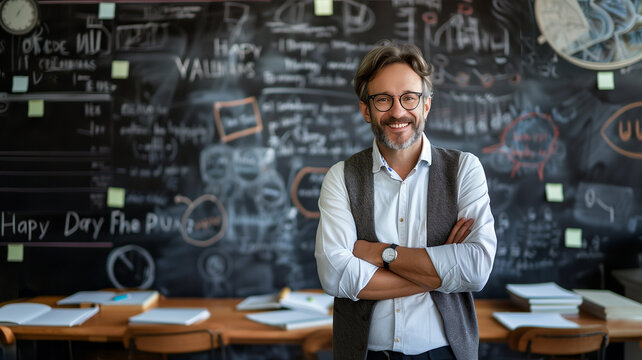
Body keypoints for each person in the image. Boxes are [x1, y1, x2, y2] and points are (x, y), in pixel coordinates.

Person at [315, 40, 497, 360]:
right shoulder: (340, 177)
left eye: (409, 98)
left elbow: (476, 269)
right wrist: (440, 274)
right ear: (365, 109)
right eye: (383, 99)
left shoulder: (465, 170)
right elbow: (334, 274)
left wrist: (378, 253)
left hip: (445, 353)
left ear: (425, 105)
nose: (398, 111)